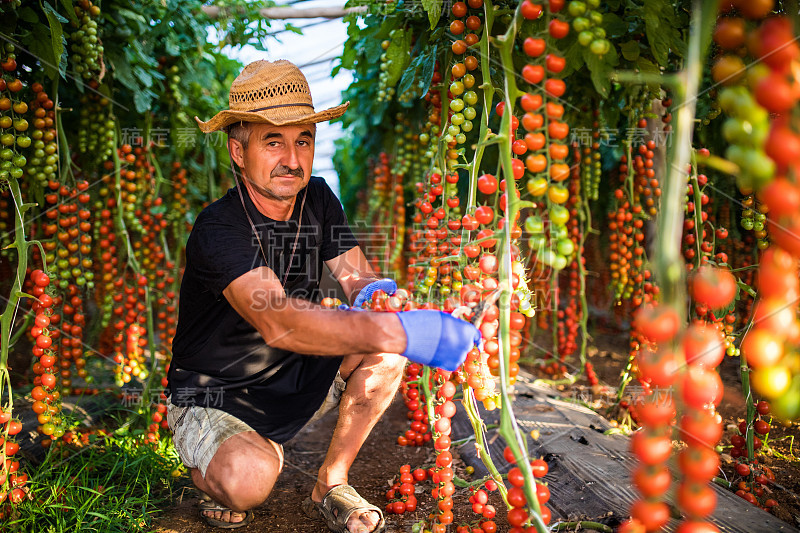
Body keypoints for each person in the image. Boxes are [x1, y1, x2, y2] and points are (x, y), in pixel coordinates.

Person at [166, 59, 480, 532]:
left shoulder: (317, 197)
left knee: (387, 352)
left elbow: (355, 279)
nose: (292, 158)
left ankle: (332, 481)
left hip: (294, 374)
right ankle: (214, 461)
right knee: (250, 481)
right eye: (273, 142)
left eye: (303, 140)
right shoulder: (219, 228)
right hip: (218, 393)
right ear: (237, 150)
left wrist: (379, 296)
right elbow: (282, 322)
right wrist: (402, 327)